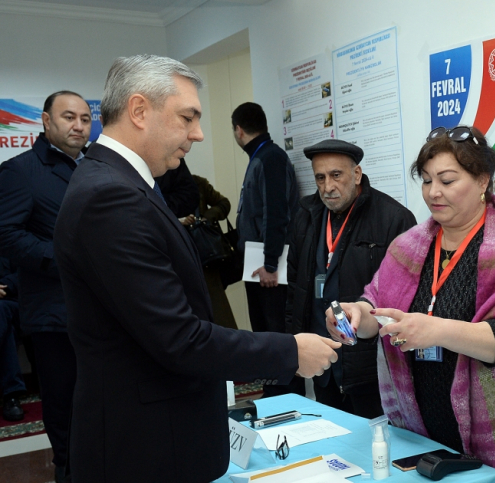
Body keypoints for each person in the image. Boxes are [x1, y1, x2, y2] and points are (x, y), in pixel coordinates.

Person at [53, 54, 340, 483]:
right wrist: (291, 350)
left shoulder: (119, 183)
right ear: (138, 111)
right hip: (144, 448)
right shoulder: (110, 198)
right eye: (188, 118)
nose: (199, 134)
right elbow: (180, 338)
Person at [327, 126, 495, 483]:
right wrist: (359, 315)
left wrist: (437, 330)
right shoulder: (410, 245)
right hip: (426, 424)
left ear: (483, 181)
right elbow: (378, 307)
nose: (433, 192)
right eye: (426, 180)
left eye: (447, 181)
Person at [286, 139, 416, 417]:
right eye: (320, 177)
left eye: (336, 175)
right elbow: (295, 289)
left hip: (368, 368)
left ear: (356, 174)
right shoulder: (305, 216)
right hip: (322, 358)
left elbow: (405, 300)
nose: (327, 186)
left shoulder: (393, 219)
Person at [0, 90, 90, 483]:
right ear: (46, 121)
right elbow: (5, 233)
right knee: (64, 405)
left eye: (85, 119)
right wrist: (63, 261)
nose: (79, 126)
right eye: (69, 117)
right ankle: (67, 474)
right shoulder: (20, 170)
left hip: (100, 311)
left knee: (99, 403)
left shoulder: (93, 167)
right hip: (54, 313)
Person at [232, 102, 299, 397]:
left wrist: (271, 263)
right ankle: (272, 399)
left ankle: (284, 400)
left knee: (275, 336)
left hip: (268, 269)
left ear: (238, 130)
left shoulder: (270, 158)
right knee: (263, 334)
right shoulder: (260, 157)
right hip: (258, 267)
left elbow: (276, 213)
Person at [181, 174, 237, 329]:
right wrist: (179, 220)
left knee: (218, 311)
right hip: (179, 258)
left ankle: (227, 349)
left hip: (206, 257)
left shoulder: (197, 182)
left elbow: (224, 204)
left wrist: (205, 217)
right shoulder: (156, 185)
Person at [0, 257, 25, 422]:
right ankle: (11, 394)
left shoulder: (7, 236)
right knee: (5, 328)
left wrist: (4, 286)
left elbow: (25, 270)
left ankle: (12, 392)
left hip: (12, 300)